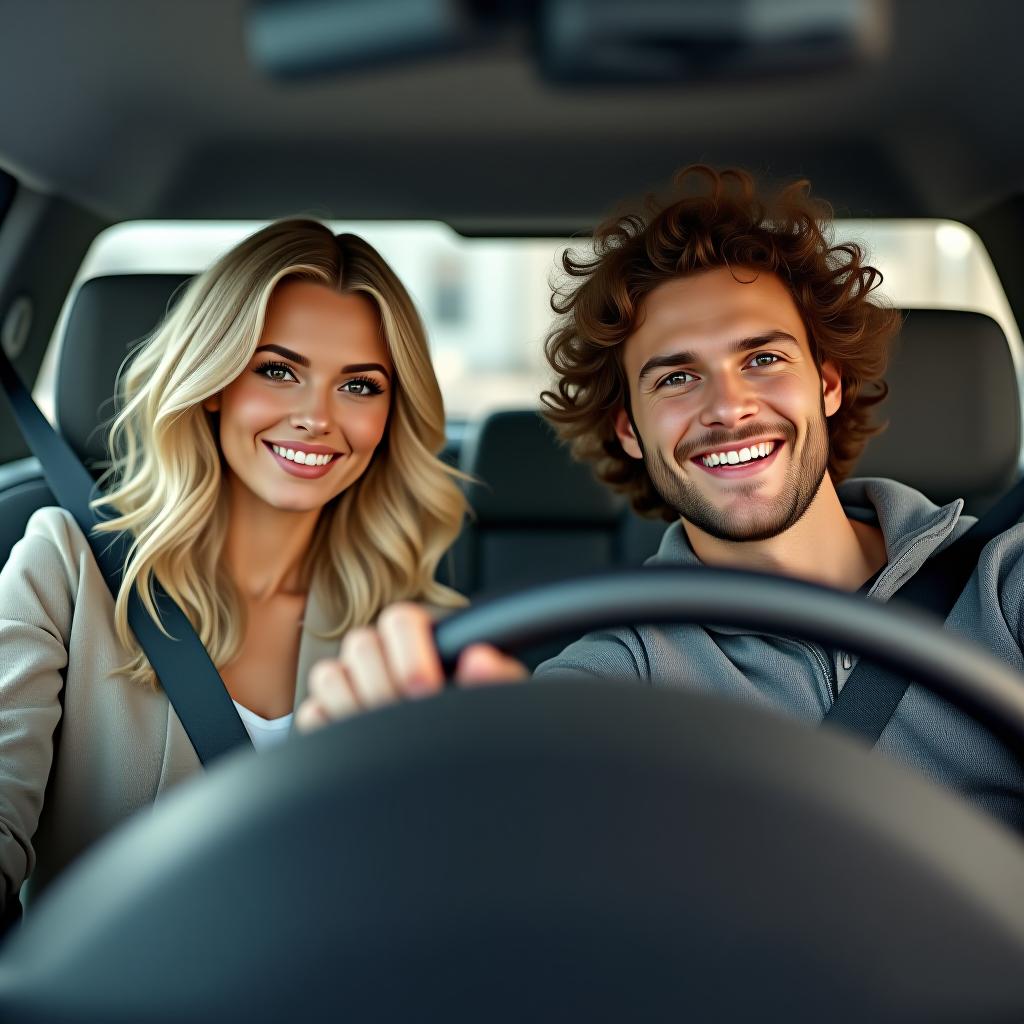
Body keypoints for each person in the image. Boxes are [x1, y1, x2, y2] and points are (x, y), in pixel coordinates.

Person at [296, 166, 1024, 829]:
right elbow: (531, 779)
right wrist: (413, 763)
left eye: (763, 359)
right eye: (676, 378)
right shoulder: (628, 666)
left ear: (827, 385)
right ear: (631, 430)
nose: (729, 406)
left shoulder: (1004, 585)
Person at [0, 220, 467, 917]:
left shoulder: (422, 633)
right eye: (278, 371)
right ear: (214, 383)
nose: (317, 417)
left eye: (360, 386)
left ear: (392, 413)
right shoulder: (64, 566)